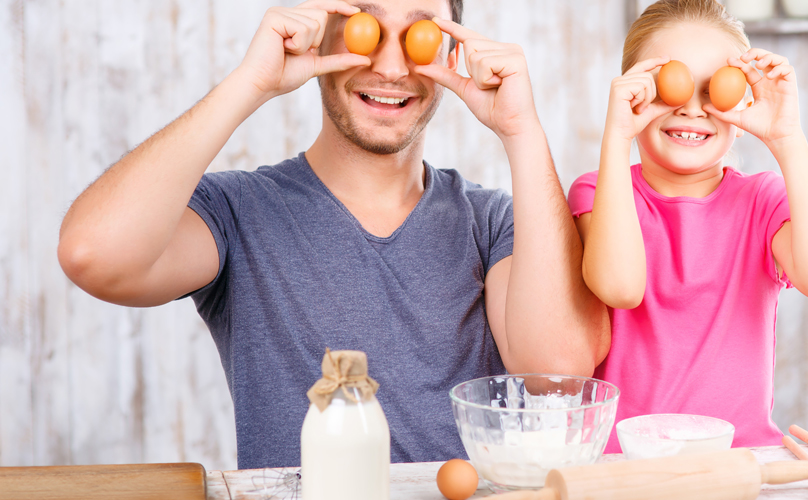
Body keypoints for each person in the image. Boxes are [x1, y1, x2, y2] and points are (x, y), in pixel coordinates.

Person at [57, 0, 609, 469]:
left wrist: (522, 130)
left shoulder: (494, 222)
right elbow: (93, 254)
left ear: (451, 50)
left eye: (420, 35)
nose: (392, 67)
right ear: (322, 32)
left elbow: (556, 373)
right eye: (364, 26)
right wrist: (251, 83)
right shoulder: (239, 212)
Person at [568, 0, 808, 452]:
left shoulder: (761, 200)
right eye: (670, 87)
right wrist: (616, 136)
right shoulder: (599, 192)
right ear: (632, 94)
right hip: (624, 463)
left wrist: (787, 137)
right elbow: (620, 287)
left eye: (715, 90)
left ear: (741, 104)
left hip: (738, 458)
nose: (694, 109)